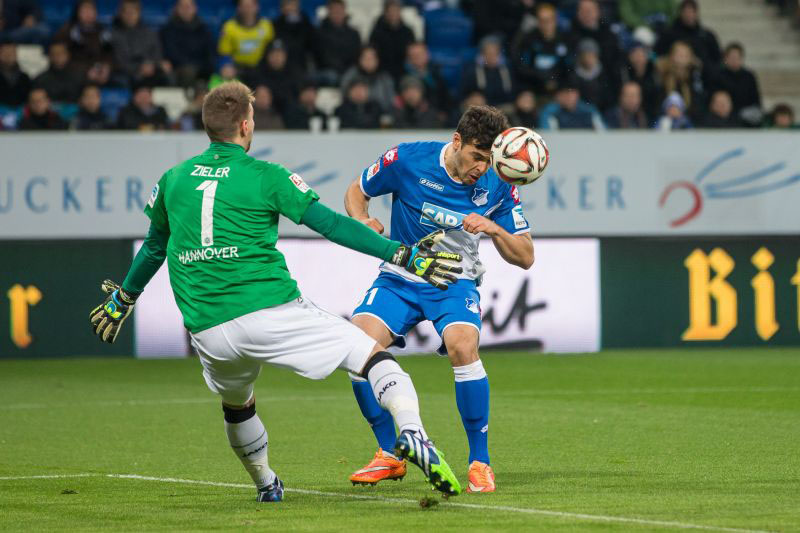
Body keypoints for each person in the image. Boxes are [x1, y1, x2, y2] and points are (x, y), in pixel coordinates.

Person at [89, 80, 463, 502]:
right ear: (246, 126)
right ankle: (413, 433)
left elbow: (155, 246)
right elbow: (332, 225)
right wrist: (401, 253)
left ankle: (267, 483)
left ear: (208, 127)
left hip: (208, 331)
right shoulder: (267, 176)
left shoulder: (173, 179)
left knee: (238, 405)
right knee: (373, 357)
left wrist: (124, 298)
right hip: (270, 311)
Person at [343, 105, 534, 494]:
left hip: (455, 282)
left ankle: (480, 461)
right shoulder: (407, 159)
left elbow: (525, 256)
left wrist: (495, 228)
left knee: (464, 347)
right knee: (356, 348)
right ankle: (388, 454)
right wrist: (363, 221)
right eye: (477, 157)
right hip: (401, 275)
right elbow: (356, 193)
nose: (482, 167)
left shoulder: (499, 183)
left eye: (489, 159)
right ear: (457, 141)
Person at [512, 2, 570, 97]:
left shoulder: (564, 39)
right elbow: (522, 67)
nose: (546, 24)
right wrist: (542, 78)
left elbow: (568, 67)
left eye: (549, 20)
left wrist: (557, 82)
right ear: (538, 22)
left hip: (560, 91)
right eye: (542, 20)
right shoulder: (529, 40)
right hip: (534, 90)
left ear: (555, 20)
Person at [111, 0, 172, 87]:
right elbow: (119, 60)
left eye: (133, 12)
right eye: (127, 12)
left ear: (139, 13)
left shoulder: (149, 33)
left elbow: (157, 53)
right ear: (121, 14)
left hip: (151, 69)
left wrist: (153, 65)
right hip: (129, 72)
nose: (130, 16)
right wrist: (139, 68)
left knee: (167, 74)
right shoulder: (114, 34)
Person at [217, 0, 274, 86]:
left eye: (251, 6)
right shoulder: (229, 27)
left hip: (261, 69)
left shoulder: (266, 26)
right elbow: (224, 53)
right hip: (237, 69)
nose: (248, 10)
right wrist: (227, 65)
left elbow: (272, 50)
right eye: (244, 6)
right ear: (239, 8)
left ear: (257, 7)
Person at [160, 0, 216, 87]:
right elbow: (170, 52)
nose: (186, 10)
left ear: (195, 9)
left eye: (188, 7)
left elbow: (210, 53)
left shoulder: (204, 30)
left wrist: (205, 67)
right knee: (188, 71)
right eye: (182, 7)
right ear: (176, 9)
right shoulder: (168, 29)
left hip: (201, 68)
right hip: (178, 68)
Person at [655, 0, 720, 75]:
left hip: (702, 77)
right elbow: (656, 55)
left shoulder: (707, 36)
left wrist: (702, 65)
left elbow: (717, 61)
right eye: (686, 12)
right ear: (681, 13)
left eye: (691, 12)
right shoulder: (668, 34)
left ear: (696, 13)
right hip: (671, 76)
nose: (688, 15)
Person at [53, 0, 113, 76]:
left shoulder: (104, 31)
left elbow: (110, 54)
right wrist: (86, 71)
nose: (88, 13)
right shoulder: (67, 31)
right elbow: (60, 57)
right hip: (75, 72)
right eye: (84, 10)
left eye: (91, 9)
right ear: (77, 12)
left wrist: (106, 67)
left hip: (101, 72)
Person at [312, 0, 361, 86]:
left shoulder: (354, 34)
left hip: (348, 71)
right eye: (334, 11)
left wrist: (347, 70)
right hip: (328, 71)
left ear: (344, 11)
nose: (337, 13)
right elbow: (321, 56)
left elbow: (357, 55)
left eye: (340, 10)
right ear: (328, 12)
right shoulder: (319, 33)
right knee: (332, 76)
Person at [711, 43, 761, 126]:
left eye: (737, 58)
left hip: (745, 116)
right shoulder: (717, 76)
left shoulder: (749, 76)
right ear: (725, 58)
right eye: (732, 57)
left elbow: (756, 101)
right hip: (723, 116)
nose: (734, 60)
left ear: (742, 59)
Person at [460, 36, 515, 108]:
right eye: (489, 53)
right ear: (482, 54)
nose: (492, 57)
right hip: (479, 106)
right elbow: (463, 93)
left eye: (495, 53)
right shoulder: (471, 69)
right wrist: (472, 98)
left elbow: (513, 92)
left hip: (503, 106)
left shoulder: (507, 68)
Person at [340, 45, 396, 114]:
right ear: (359, 59)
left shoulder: (385, 78)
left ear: (377, 60)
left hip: (379, 117)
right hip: (353, 115)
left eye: (371, 58)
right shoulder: (351, 75)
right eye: (365, 58)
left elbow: (390, 102)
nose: (368, 61)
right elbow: (344, 96)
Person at [368, 0, 415, 83]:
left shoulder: (408, 31)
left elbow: (412, 53)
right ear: (385, 12)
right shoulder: (376, 32)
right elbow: (372, 53)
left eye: (396, 10)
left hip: (403, 71)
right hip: (381, 72)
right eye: (390, 11)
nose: (393, 13)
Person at [404, 41, 451, 121]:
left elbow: (445, 97)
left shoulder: (436, 74)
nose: (417, 58)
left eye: (420, 54)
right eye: (413, 55)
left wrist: (443, 112)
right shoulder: (404, 76)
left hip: (436, 117)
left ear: (427, 55)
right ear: (409, 58)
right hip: (412, 117)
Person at [620, 41, 661, 123]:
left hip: (650, 113)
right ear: (630, 56)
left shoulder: (653, 73)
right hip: (627, 112)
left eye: (641, 55)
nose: (639, 58)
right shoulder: (624, 72)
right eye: (636, 54)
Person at [538, 79, 603, 130]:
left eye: (571, 93)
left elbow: (603, 132)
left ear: (577, 95)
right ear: (558, 96)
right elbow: (549, 135)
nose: (569, 97)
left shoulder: (589, 111)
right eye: (565, 93)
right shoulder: (550, 112)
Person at [272, 0, 314, 71]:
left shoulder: (306, 23)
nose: (290, 8)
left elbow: (312, 45)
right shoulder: (276, 25)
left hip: (303, 64)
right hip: (284, 67)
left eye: (292, 5)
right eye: (287, 5)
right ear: (282, 8)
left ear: (298, 6)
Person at [0, 40, 32, 107]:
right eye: (5, 52)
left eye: (11, 52)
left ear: (16, 54)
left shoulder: (24, 78)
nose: (8, 55)